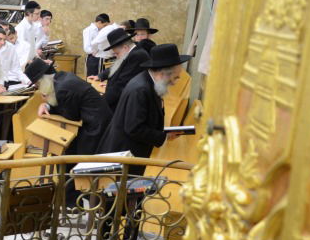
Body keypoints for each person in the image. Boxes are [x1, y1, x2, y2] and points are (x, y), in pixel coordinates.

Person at [98, 44, 190, 173]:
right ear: (163, 73)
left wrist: (164, 132)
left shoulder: (149, 83)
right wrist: (163, 137)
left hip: (130, 152)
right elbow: (134, 128)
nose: (175, 82)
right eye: (175, 77)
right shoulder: (141, 89)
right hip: (125, 154)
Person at [27, 57, 111, 156]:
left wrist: (47, 100)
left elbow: (71, 116)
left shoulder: (62, 89)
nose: (39, 88)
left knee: (65, 151)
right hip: (96, 120)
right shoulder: (62, 77)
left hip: (97, 127)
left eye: (38, 84)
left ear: (43, 80)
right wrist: (47, 105)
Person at [97, 27, 151, 112]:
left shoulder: (137, 56)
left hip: (131, 107)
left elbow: (121, 86)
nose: (116, 57)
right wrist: (101, 76)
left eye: (116, 53)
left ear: (125, 48)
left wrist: (99, 103)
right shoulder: (131, 53)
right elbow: (116, 68)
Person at [82, 13, 111, 77]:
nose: (105, 27)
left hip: (99, 58)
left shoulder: (100, 30)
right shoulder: (89, 30)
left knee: (99, 79)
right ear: (99, 22)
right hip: (93, 58)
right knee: (92, 79)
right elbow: (86, 48)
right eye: (104, 25)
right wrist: (95, 51)